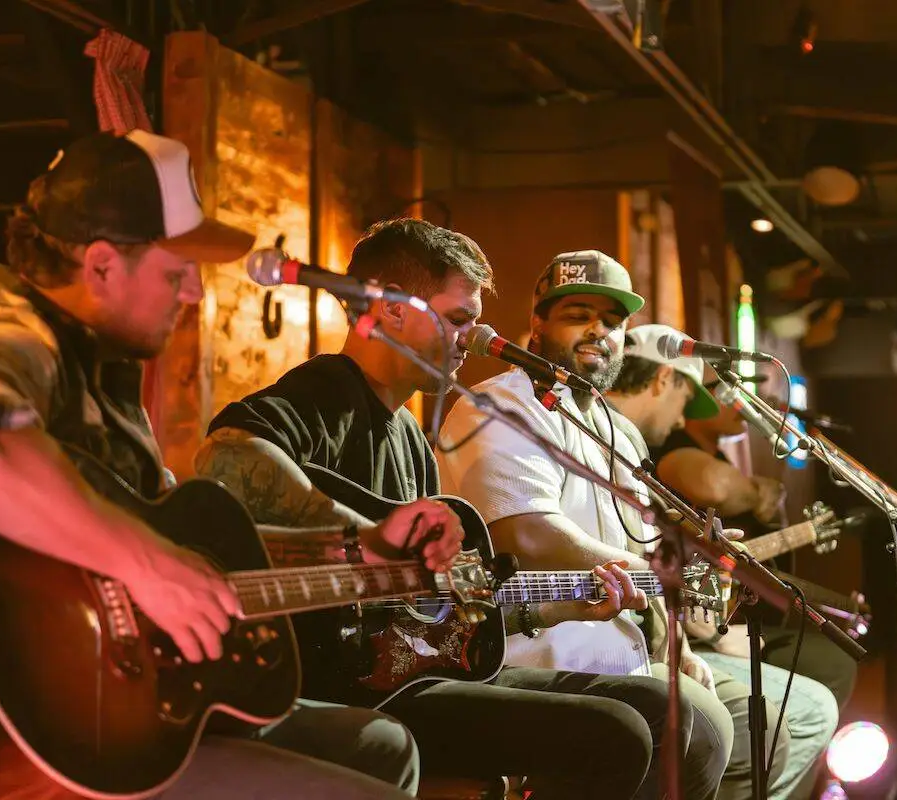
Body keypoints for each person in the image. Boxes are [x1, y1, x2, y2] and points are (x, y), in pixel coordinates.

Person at [0, 130, 437, 799]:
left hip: (137, 703)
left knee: (381, 747)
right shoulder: (7, 334)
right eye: (176, 273)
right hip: (39, 744)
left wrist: (360, 549)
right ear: (99, 264)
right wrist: (144, 564)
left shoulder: (104, 370)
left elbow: (198, 558)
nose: (195, 297)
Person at [196, 220, 693, 800]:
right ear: (390, 311)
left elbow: (445, 610)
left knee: (654, 706)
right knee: (617, 733)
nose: (472, 336)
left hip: (403, 675)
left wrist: (555, 607)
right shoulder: (321, 393)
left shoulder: (411, 436)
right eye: (458, 319)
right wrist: (370, 534)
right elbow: (222, 458)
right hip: (329, 683)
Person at [435, 250, 788, 800]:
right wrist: (657, 571)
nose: (599, 330)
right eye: (579, 314)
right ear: (538, 322)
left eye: (614, 321)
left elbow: (640, 551)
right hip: (537, 652)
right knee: (705, 731)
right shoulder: (499, 407)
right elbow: (523, 533)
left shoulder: (615, 432)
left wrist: (678, 647)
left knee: (761, 727)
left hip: (628, 656)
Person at [607, 323, 839, 800]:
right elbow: (639, 566)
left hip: (663, 641)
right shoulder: (637, 450)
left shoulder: (627, 449)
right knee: (806, 708)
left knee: (810, 698)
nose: (678, 422)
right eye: (682, 403)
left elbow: (655, 564)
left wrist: (686, 639)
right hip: (618, 653)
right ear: (662, 381)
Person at [651, 371, 858, 713]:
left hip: (730, 622)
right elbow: (714, 487)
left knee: (834, 659)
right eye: (729, 393)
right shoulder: (675, 449)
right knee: (832, 664)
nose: (742, 402)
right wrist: (756, 492)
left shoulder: (717, 453)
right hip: (699, 628)